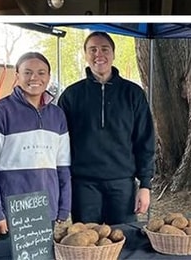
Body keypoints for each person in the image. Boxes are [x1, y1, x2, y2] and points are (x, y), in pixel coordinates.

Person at [58, 32, 155, 225]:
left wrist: (145, 185)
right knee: (87, 244)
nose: (98, 54)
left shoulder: (133, 94)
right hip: (83, 185)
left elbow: (145, 140)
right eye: (92, 49)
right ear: (85, 54)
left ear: (113, 54)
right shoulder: (71, 95)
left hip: (122, 184)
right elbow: (60, 144)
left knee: (125, 241)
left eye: (104, 49)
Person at [0, 52, 71, 239]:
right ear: (17, 75)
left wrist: (64, 205)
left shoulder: (57, 115)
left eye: (41, 73)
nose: (34, 78)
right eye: (27, 72)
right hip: (12, 211)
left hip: (46, 207)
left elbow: (63, 165)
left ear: (49, 77)